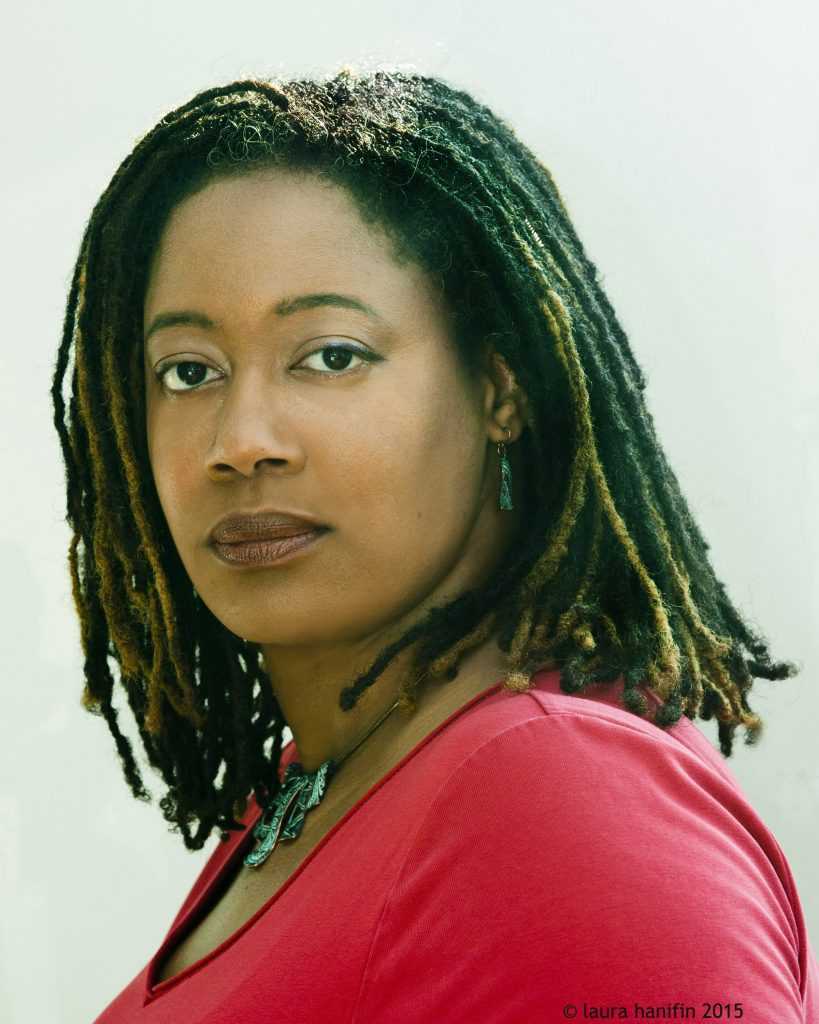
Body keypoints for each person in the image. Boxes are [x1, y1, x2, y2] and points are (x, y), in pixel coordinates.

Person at [51, 68, 818, 1022]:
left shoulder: (555, 801)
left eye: (331, 355)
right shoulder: (327, 783)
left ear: (501, 387)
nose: (241, 440)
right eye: (189, 370)